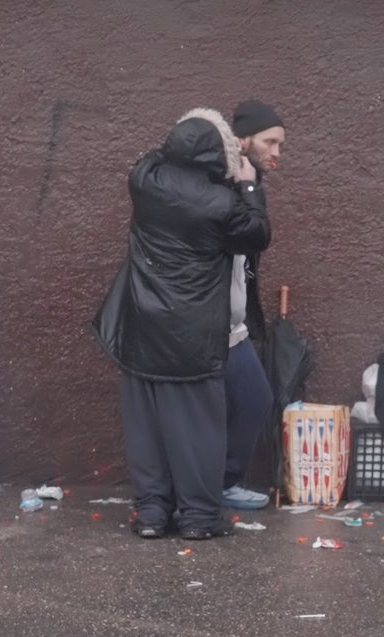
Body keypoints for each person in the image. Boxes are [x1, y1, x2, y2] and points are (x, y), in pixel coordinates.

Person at [93, 108, 271, 539]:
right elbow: (257, 233)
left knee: (146, 433)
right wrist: (246, 182)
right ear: (220, 156)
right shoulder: (223, 205)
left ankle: (152, 515)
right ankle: (198, 517)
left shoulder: (144, 181)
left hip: (140, 328)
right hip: (193, 336)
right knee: (199, 432)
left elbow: (153, 155)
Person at [219, 100, 285, 510]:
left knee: (256, 397)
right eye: (270, 141)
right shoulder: (224, 185)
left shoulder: (249, 183)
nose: (276, 152)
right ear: (242, 141)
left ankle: (223, 481)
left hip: (234, 322)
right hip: (210, 323)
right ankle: (207, 485)